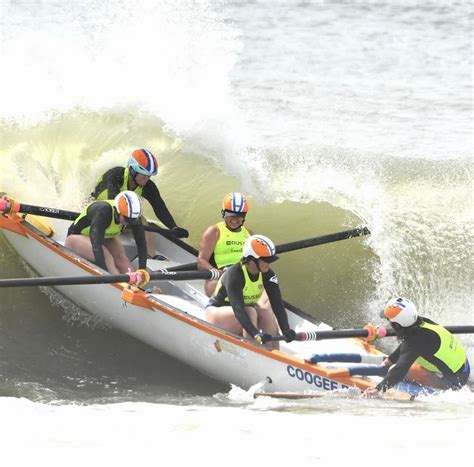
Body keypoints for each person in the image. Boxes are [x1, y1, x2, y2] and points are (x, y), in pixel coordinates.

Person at [91, 148, 189, 257]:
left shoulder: (147, 186)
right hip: (97, 209)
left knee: (142, 220)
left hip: (121, 216)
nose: (146, 178)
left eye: (149, 175)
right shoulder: (116, 174)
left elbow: (160, 208)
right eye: (144, 174)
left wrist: (173, 227)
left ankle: (150, 257)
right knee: (131, 217)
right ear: (133, 170)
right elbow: (113, 199)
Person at [205, 234, 296, 350]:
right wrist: (255, 334)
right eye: (266, 260)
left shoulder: (268, 274)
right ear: (252, 260)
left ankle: (274, 351)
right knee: (250, 311)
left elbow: (277, 304)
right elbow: (238, 310)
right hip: (216, 315)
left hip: (242, 319)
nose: (269, 264)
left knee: (266, 313)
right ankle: (251, 348)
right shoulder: (235, 275)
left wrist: (286, 330)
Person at [364, 297, 470, 396]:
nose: (389, 324)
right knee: (404, 361)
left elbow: (400, 370)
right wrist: (390, 359)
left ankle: (440, 382)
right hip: (465, 366)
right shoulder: (423, 322)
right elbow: (408, 346)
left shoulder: (413, 343)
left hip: (456, 381)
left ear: (397, 325)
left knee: (395, 370)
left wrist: (378, 389)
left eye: (389, 321)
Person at [65, 191, 147, 275]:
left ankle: (134, 284)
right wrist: (106, 275)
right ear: (118, 211)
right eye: (126, 219)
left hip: (101, 237)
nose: (128, 222)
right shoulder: (104, 211)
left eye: (131, 220)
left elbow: (141, 245)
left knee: (121, 257)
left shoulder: (134, 216)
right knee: (107, 257)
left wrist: (142, 270)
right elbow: (96, 245)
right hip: (75, 238)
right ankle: (117, 282)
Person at [197, 192, 253, 296]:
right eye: (230, 215)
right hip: (221, 276)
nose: (234, 219)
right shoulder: (214, 231)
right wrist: (214, 271)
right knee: (212, 286)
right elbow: (201, 262)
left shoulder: (250, 234)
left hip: (244, 276)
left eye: (239, 216)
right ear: (223, 213)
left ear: (244, 216)